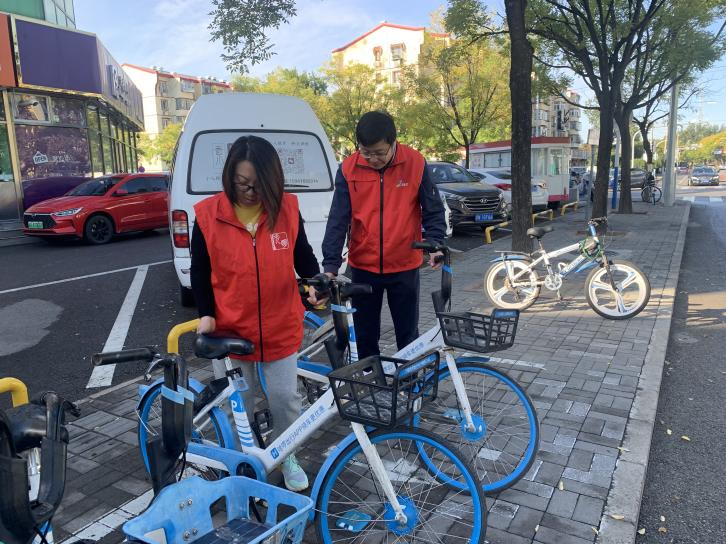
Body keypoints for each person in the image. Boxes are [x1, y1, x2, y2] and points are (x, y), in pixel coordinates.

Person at [190, 135, 323, 492]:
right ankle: (244, 461)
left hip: (280, 324)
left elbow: (303, 256)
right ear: (229, 177)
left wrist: (314, 282)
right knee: (240, 404)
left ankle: (287, 454)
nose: (251, 192)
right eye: (242, 183)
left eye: (259, 185)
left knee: (285, 400)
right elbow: (200, 271)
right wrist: (206, 314)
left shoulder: (286, 209)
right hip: (231, 329)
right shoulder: (207, 215)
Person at [322, 111, 446, 360]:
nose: (372, 159)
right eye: (366, 152)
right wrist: (331, 266)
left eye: (379, 152)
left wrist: (435, 244)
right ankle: (371, 375)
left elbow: (432, 209)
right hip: (363, 265)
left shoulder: (414, 162)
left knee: (408, 334)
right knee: (365, 335)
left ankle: (410, 378)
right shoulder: (348, 168)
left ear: (393, 142)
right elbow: (338, 219)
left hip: (404, 264)